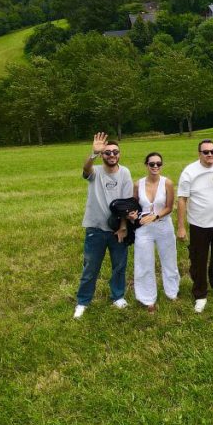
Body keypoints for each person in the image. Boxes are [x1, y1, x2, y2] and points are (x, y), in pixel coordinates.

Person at [74, 132, 134, 319]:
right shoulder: (96, 172)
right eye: (107, 153)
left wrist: (123, 226)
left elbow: (127, 203)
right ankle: (83, 301)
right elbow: (86, 169)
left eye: (115, 152)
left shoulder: (125, 173)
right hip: (96, 228)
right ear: (102, 156)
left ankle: (118, 296)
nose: (112, 155)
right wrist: (93, 153)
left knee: (119, 266)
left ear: (119, 154)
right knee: (90, 267)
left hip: (117, 229)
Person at [177, 139, 213, 313]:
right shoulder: (189, 171)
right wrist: (181, 226)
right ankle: (200, 294)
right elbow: (182, 199)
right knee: (198, 260)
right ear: (199, 154)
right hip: (199, 224)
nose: (210, 154)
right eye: (206, 152)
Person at [132, 152, 180, 312]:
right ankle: (147, 299)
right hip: (143, 229)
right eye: (152, 164)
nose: (155, 166)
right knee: (144, 263)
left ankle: (172, 293)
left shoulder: (167, 183)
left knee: (169, 261)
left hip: (164, 227)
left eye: (158, 164)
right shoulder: (138, 184)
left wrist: (156, 216)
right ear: (146, 165)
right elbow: (134, 206)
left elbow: (169, 207)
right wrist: (133, 215)